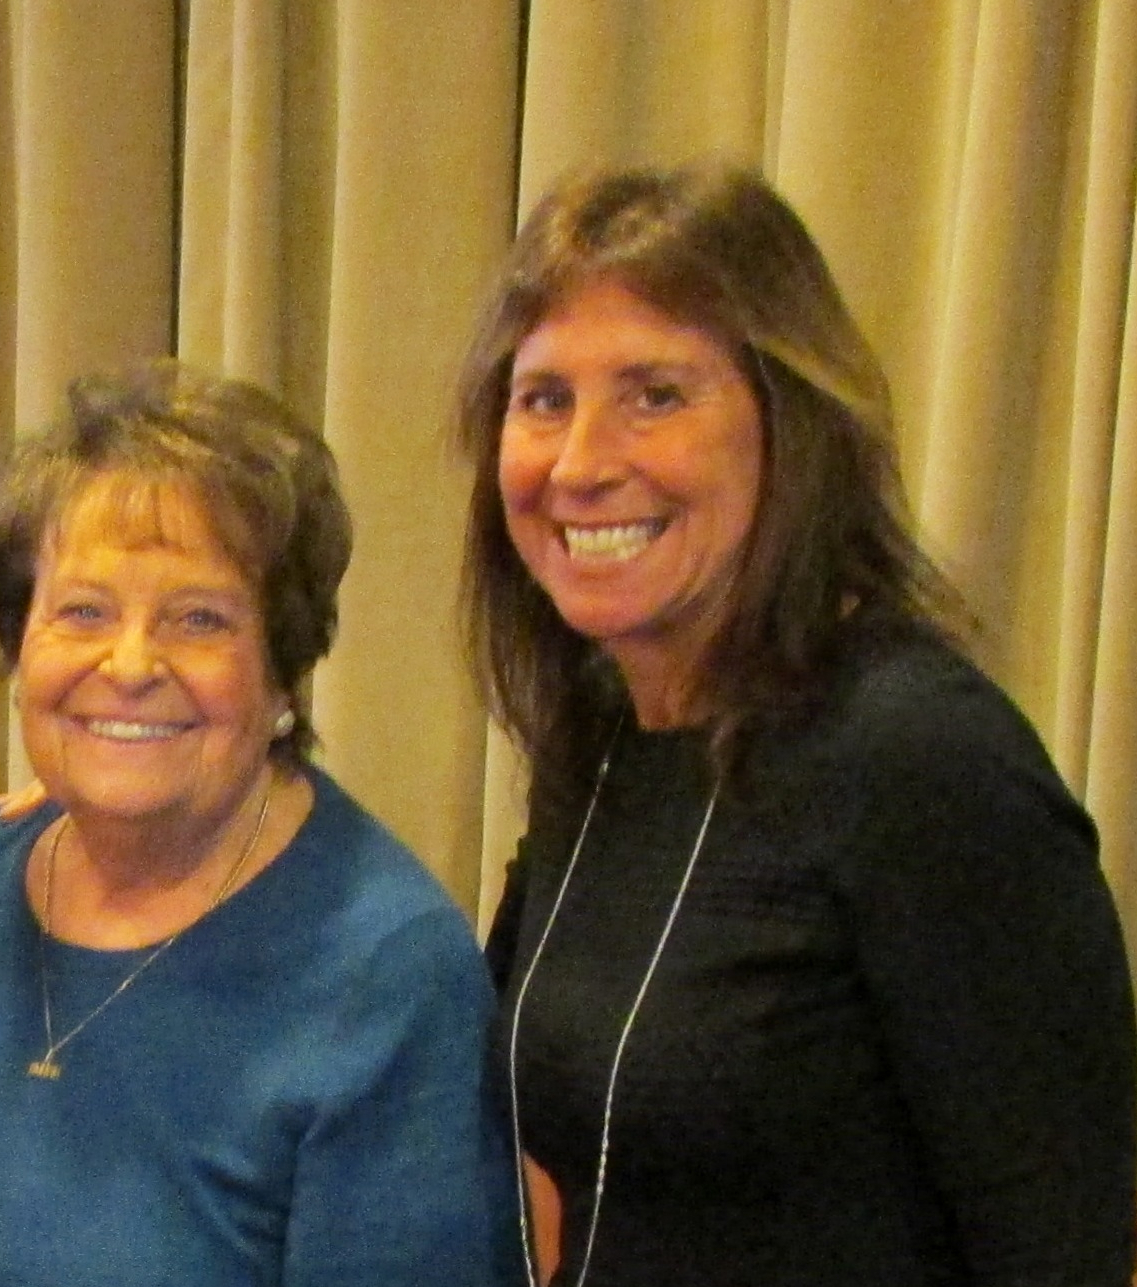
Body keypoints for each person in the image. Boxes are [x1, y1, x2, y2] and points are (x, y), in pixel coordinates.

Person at [466, 162, 1135, 1285]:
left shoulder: (923, 759)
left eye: (654, 395)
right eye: (543, 400)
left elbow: (1066, 1248)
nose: (579, 464)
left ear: (791, 425)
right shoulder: (601, 732)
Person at [0, 362, 513, 1286]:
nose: (130, 664)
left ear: (284, 670)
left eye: (198, 619)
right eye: (83, 611)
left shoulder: (391, 973)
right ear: (20, 646)